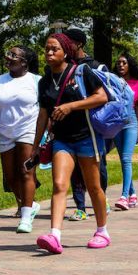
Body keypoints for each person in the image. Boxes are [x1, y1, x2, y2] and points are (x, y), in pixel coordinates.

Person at [32, 31, 111, 253]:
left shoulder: (82, 72)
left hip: (87, 137)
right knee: (59, 184)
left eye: (54, 49)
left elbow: (101, 97)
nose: (49, 52)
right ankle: (55, 236)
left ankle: (102, 231)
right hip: (62, 140)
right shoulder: (45, 81)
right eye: (46, 48)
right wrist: (36, 146)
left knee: (94, 187)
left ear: (65, 52)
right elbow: (43, 116)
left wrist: (70, 106)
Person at [0, 45, 40, 232]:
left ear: (24, 62)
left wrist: (45, 135)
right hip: (5, 134)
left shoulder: (37, 81)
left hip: (29, 131)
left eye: (12, 55)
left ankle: (25, 218)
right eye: (7, 53)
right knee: (10, 177)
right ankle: (30, 205)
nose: (7, 57)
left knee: (26, 172)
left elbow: (46, 110)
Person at [64, 28, 108, 220]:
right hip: (71, 125)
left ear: (79, 44)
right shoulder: (64, 68)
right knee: (74, 170)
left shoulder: (96, 67)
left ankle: (101, 201)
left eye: (68, 42)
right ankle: (80, 207)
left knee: (98, 167)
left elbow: (106, 96)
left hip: (94, 126)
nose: (65, 46)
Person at [109, 53, 138, 210]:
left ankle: (124, 196)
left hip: (131, 122)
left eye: (124, 63)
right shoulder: (112, 82)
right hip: (116, 123)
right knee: (123, 160)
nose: (120, 65)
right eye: (118, 63)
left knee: (126, 158)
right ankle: (132, 193)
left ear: (129, 65)